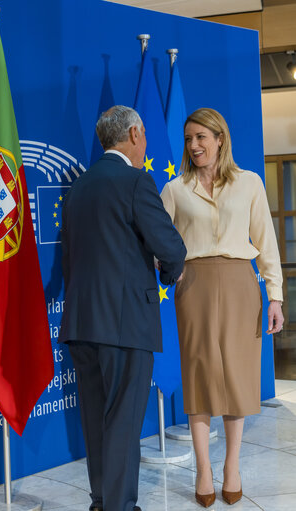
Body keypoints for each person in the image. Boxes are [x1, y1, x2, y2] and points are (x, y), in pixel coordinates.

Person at [59, 105, 186, 511]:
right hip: (124, 324)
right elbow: (171, 247)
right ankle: (119, 507)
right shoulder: (135, 182)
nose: (145, 142)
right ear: (134, 135)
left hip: (80, 324)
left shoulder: (77, 186)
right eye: (145, 134)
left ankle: (102, 502)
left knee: (97, 422)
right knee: (123, 424)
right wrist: (169, 272)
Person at [161, 107, 284, 508]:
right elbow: (158, 239)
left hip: (239, 285)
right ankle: (203, 469)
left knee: (235, 377)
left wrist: (275, 296)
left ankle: (231, 467)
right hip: (193, 287)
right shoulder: (175, 189)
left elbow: (266, 242)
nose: (194, 145)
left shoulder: (249, 183)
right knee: (199, 374)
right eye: (188, 139)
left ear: (219, 139)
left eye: (201, 137)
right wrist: (169, 269)